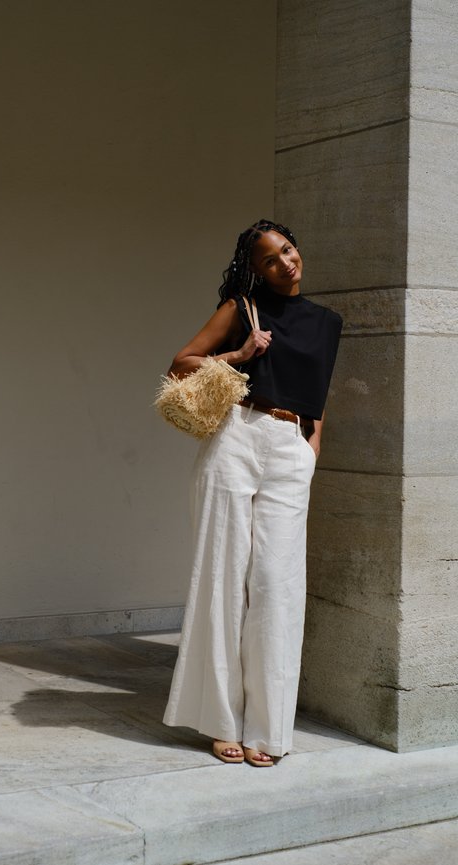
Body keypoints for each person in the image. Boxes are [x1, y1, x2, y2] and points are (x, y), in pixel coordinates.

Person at [162, 219, 343, 766]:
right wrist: (240, 354)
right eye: (269, 259)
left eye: (287, 250)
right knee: (222, 576)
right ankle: (220, 721)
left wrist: (311, 447)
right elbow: (180, 363)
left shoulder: (327, 322)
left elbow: (318, 394)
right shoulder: (242, 309)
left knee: (277, 587)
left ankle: (267, 729)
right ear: (256, 269)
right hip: (236, 436)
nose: (285, 262)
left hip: (290, 446)